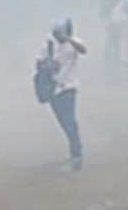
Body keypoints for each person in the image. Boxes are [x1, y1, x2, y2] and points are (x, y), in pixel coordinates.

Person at [42, 19, 87, 171]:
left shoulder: (73, 43)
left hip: (69, 87)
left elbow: (83, 50)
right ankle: (75, 152)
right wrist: (47, 65)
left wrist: (68, 38)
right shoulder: (48, 45)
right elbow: (39, 63)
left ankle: (76, 155)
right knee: (63, 122)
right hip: (54, 89)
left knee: (69, 121)